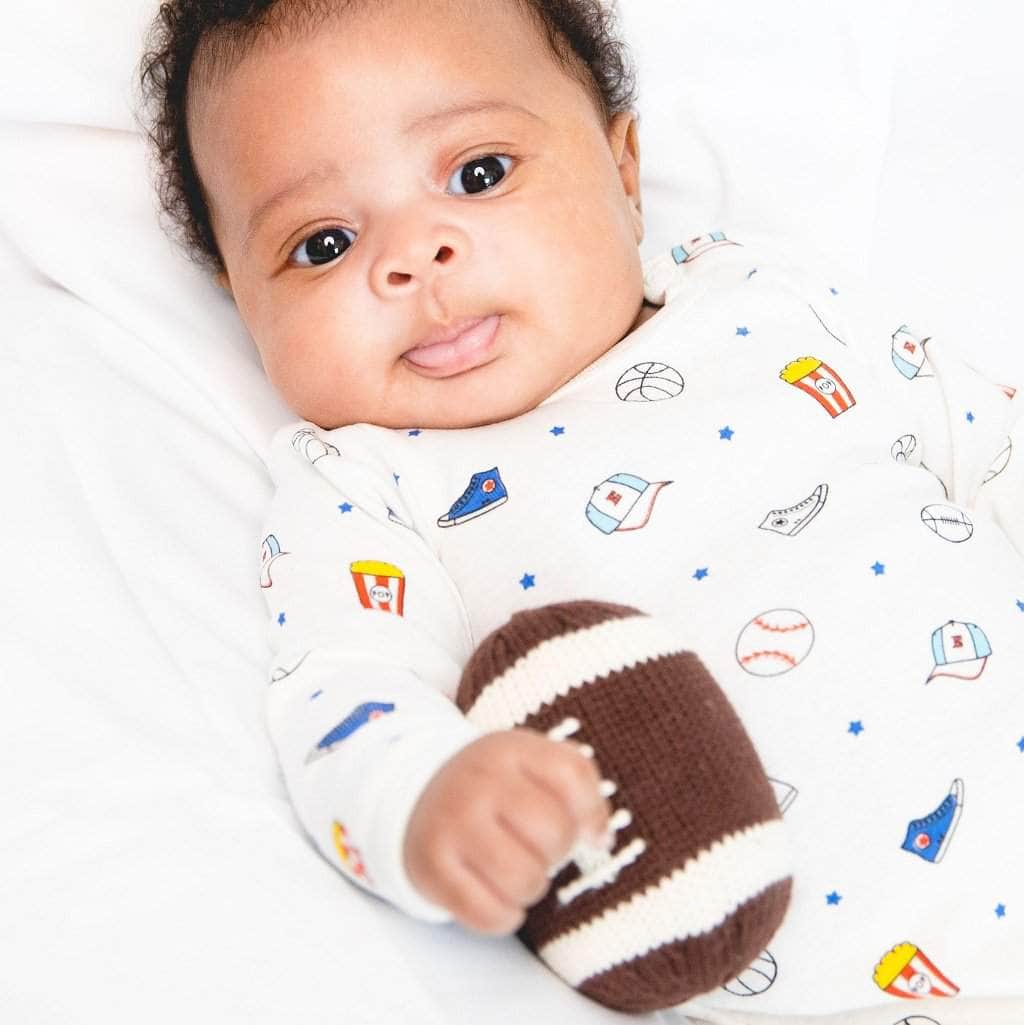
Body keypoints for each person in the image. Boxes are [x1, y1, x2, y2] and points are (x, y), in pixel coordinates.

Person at [137, 0, 1023, 1017]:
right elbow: (344, 697)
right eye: (324, 241)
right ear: (239, 298)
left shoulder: (764, 297)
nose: (413, 256)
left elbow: (989, 446)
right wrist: (426, 798)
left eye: (478, 174)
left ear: (626, 173)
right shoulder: (369, 491)